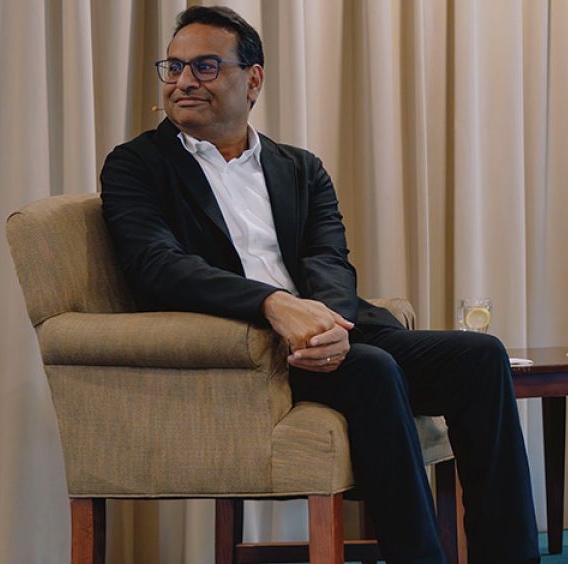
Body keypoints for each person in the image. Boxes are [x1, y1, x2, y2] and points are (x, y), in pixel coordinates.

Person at [99, 6, 539, 563]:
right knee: (373, 370)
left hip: (326, 334)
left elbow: (327, 257)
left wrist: (326, 325)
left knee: (479, 356)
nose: (183, 81)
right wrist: (274, 305)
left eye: (205, 66)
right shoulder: (136, 165)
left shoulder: (299, 168)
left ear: (253, 78)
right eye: (174, 67)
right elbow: (155, 266)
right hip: (247, 347)